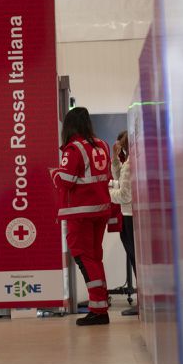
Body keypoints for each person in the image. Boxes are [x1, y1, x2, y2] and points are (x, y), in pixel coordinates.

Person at [50, 107, 112, 326]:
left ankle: (98, 309)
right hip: (101, 210)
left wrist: (54, 173)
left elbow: (66, 180)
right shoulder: (102, 145)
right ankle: (100, 306)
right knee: (95, 258)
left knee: (85, 258)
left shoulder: (74, 148)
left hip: (81, 213)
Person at [110, 130, 138, 316]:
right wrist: (115, 159)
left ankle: (141, 301)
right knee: (136, 259)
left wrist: (108, 191)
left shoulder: (130, 164)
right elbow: (120, 176)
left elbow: (125, 195)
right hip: (131, 215)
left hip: (129, 216)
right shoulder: (130, 162)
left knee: (136, 259)